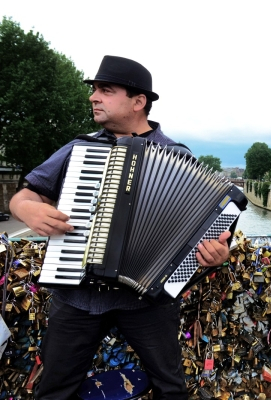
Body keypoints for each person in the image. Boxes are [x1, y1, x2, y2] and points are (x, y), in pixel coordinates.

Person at [9, 56, 230, 399]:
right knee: (53, 388)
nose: (93, 97)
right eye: (95, 90)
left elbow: (206, 233)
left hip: (146, 300)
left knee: (170, 387)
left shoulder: (177, 156)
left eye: (105, 90)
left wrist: (214, 254)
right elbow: (25, 194)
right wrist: (26, 209)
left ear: (138, 102)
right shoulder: (80, 148)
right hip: (77, 295)